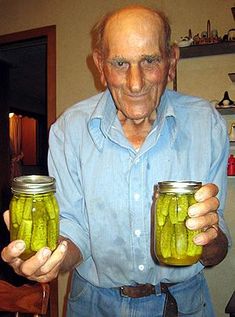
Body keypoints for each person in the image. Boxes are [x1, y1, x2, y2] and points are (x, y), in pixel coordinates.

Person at [1, 4, 231, 317]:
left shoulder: (207, 124)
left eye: (149, 60)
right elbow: (74, 230)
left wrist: (209, 239)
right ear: (100, 65)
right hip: (92, 305)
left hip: (182, 304)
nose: (135, 83)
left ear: (171, 61)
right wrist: (48, 257)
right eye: (120, 63)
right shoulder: (68, 130)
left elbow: (218, 248)